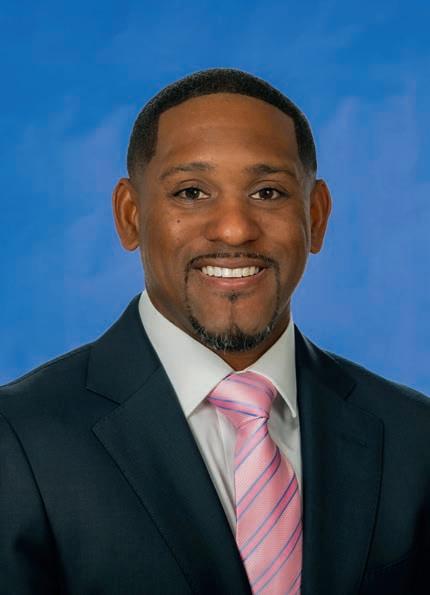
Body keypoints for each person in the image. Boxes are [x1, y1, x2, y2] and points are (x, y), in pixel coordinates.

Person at [0, 68, 428, 595]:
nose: (234, 228)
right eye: (192, 192)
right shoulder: (17, 439)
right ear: (130, 216)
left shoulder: (415, 437)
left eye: (268, 192)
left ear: (315, 217)